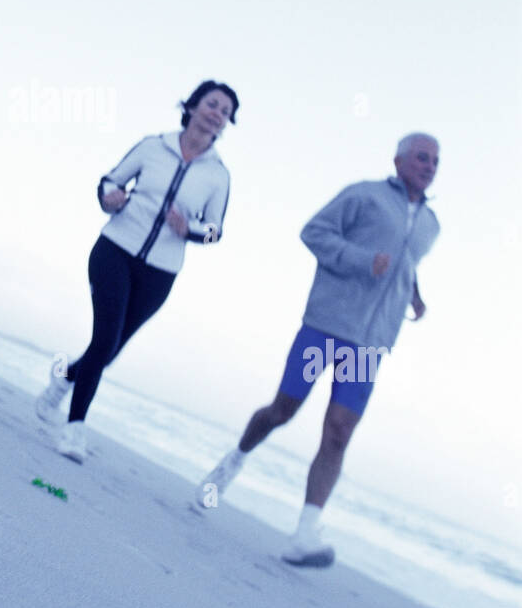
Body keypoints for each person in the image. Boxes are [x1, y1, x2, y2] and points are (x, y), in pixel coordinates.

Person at [195, 133, 441, 567]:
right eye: (422, 157)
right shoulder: (364, 195)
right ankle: (233, 461)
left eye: (435, 161)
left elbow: (404, 263)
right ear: (399, 160)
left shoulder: (431, 224)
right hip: (326, 326)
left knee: (339, 431)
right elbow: (314, 232)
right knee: (282, 411)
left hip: (370, 344)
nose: (429, 166)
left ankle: (305, 533)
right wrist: (362, 260)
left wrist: (415, 295)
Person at [36, 80, 238, 463]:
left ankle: (64, 378)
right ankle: (74, 428)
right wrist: (110, 198)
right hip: (115, 249)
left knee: (108, 351)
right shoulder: (153, 146)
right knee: (104, 339)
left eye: (225, 112)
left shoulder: (218, 175)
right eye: (212, 104)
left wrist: (190, 230)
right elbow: (110, 180)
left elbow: (216, 230)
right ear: (192, 106)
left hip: (160, 273)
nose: (218, 114)